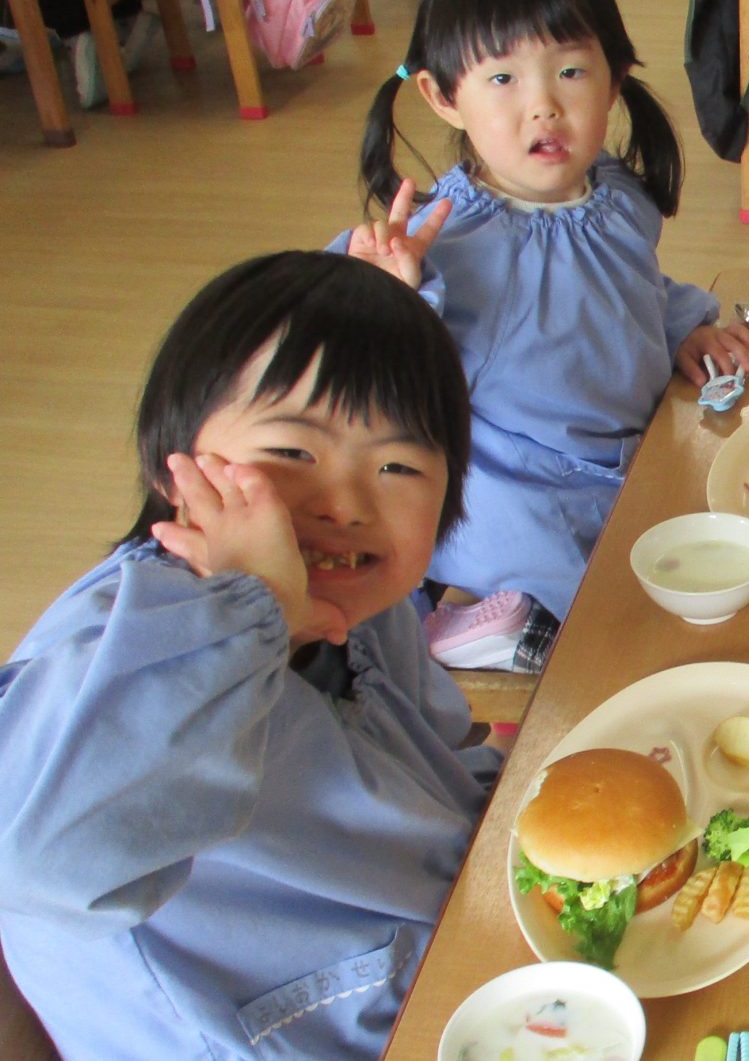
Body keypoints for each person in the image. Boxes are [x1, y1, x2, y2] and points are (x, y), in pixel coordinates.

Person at [0, 251, 500, 1061]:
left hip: (452, 960)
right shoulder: (113, 648)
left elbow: (434, 760)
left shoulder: (358, 603)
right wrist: (249, 611)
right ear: (172, 460)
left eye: (399, 466)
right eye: (293, 453)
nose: (345, 503)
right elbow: (33, 857)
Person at [339, 0, 749, 628]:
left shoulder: (610, 193)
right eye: (503, 78)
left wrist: (679, 326)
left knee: (732, 532)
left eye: (570, 71)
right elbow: (343, 373)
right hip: (522, 499)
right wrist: (384, 295)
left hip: (625, 459)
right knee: (623, 624)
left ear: (614, 79)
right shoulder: (445, 242)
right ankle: (494, 632)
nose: (544, 105)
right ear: (443, 96)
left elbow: (627, 285)